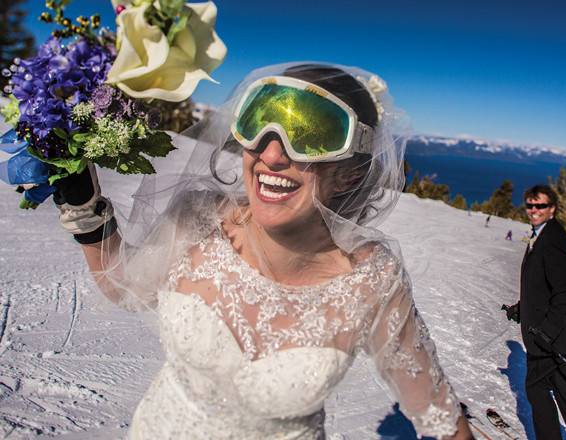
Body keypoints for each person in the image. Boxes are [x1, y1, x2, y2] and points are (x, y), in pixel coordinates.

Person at [53, 63, 473, 439]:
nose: (271, 154)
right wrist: (85, 210)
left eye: (310, 136)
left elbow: (435, 410)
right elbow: (128, 286)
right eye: (259, 124)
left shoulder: (371, 281)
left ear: (349, 174)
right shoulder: (199, 218)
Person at [503, 185, 566, 440]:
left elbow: (565, 293)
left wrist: (548, 331)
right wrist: (521, 308)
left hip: (555, 339)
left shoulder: (554, 240)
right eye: (530, 205)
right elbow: (542, 286)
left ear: (552, 209)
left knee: (538, 389)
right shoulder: (541, 234)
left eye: (540, 206)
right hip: (554, 337)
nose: (534, 210)